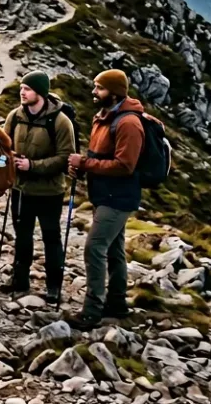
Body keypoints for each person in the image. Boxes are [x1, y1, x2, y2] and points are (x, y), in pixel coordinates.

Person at [66, 69, 145, 329]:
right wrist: (81, 166)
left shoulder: (128, 123)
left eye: (99, 88)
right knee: (113, 249)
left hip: (118, 197)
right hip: (104, 195)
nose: (93, 92)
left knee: (95, 248)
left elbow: (125, 165)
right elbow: (98, 155)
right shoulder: (103, 117)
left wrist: (86, 163)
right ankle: (117, 303)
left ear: (114, 92)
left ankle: (92, 311)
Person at [1, 71, 74, 303]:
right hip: (20, 190)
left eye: (28, 89)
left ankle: (54, 286)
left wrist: (31, 165)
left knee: (51, 238)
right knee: (22, 236)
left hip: (49, 192)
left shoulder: (60, 122)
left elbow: (65, 158)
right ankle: (20, 280)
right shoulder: (15, 116)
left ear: (40, 92)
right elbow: (3, 146)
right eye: (21, 87)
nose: (22, 92)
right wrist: (3, 165)